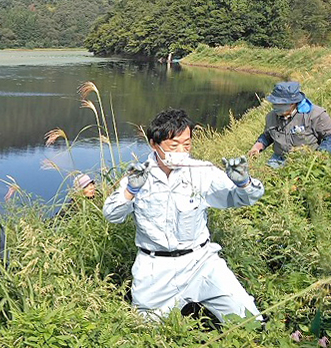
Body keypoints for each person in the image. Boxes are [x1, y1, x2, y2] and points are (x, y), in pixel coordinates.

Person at [103, 108, 264, 323]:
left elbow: (242, 199)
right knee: (143, 333)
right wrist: (130, 191)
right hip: (155, 269)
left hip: (201, 262)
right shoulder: (139, 175)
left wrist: (244, 183)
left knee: (250, 321)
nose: (181, 151)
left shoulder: (202, 171)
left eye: (186, 144)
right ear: (154, 144)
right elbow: (112, 214)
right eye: (173, 145)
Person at [247, 81, 331, 168]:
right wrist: (257, 147)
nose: (276, 107)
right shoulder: (271, 117)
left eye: (281, 104)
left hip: (305, 160)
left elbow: (329, 136)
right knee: (266, 178)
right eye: (275, 104)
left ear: (293, 103)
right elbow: (268, 135)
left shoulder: (315, 115)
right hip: (278, 159)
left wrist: (319, 156)